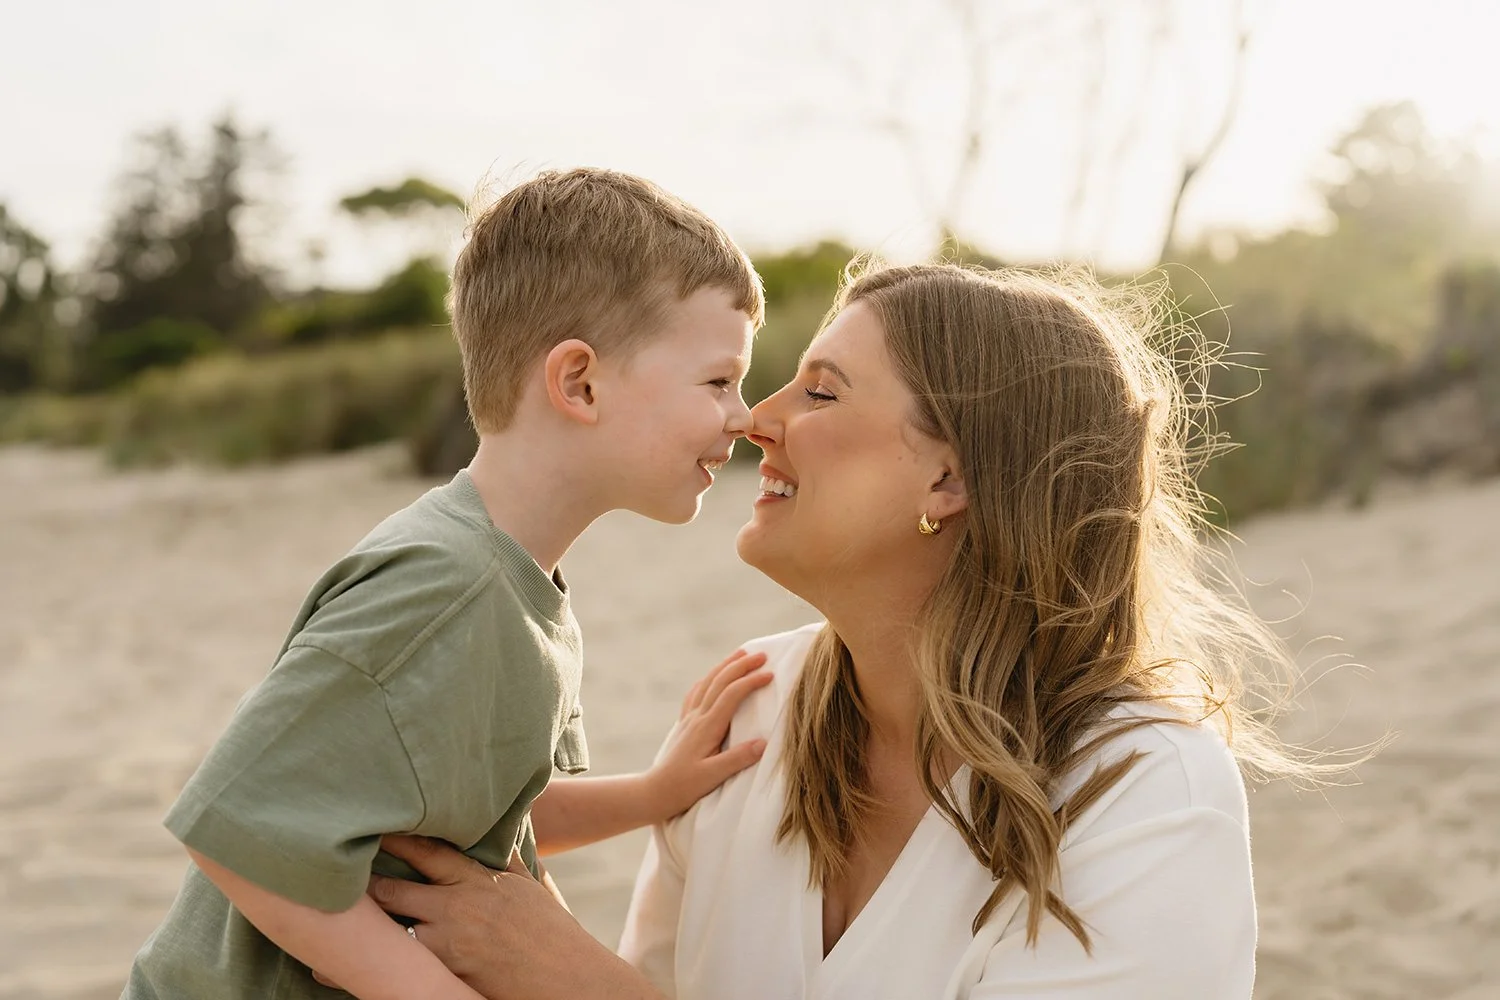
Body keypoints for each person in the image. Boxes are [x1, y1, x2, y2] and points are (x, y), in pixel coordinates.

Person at [362, 261, 1327, 999]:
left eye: (820, 392)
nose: (755, 421)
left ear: (948, 480)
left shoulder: (1147, 788)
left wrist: (577, 982)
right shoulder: (746, 712)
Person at [121, 167, 776, 1000]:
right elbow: (238, 827)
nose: (744, 415)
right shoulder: (445, 584)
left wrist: (652, 796)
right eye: (719, 381)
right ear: (579, 383)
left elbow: (455, 818)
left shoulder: (518, 584)